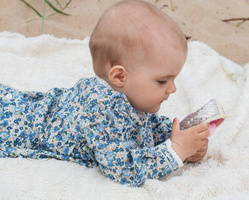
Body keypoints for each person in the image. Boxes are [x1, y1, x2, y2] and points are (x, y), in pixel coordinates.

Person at [0, 0, 210, 187]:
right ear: (119, 76)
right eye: (162, 81)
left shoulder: (127, 96)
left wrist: (177, 136)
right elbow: (123, 169)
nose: (172, 89)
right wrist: (175, 152)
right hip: (11, 122)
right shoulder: (102, 108)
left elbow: (141, 129)